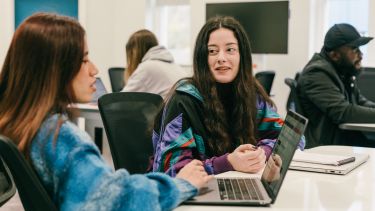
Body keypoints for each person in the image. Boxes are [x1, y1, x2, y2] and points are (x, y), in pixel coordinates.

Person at [0, 13, 211, 211]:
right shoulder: (60, 138)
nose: (94, 69)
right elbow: (117, 199)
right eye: (84, 60)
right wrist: (182, 184)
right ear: (54, 70)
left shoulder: (25, 129)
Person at [151, 16, 305, 177]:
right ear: (203, 57)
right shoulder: (183, 101)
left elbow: (294, 139)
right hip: (194, 195)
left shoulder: (250, 94)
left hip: (241, 187)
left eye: (230, 49)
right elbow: (172, 170)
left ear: (242, 55)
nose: (221, 58)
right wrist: (229, 162)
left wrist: (262, 153)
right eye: (212, 51)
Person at [297, 23, 375, 148]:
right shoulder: (316, 74)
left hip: (343, 140)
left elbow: (360, 101)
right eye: (355, 50)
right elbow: (343, 112)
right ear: (334, 55)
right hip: (326, 148)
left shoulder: (342, 71)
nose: (361, 55)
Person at [122, 29, 188, 99]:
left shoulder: (147, 67)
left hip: (172, 109)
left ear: (134, 52)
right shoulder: (174, 66)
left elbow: (120, 101)